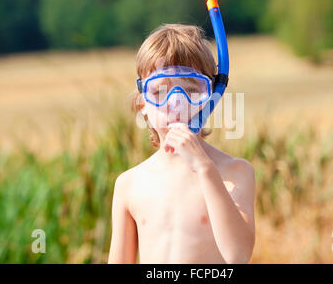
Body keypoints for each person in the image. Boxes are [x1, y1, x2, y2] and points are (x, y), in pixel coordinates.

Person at [108, 23, 255, 264]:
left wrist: (205, 169)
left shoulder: (234, 173)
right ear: (142, 104)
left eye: (190, 89)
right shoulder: (129, 184)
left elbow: (238, 256)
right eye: (160, 92)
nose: (176, 103)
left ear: (211, 99)